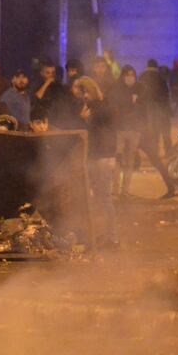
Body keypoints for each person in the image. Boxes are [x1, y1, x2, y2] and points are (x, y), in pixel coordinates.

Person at [70, 77, 118, 248]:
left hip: (100, 158)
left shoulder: (96, 109)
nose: (82, 97)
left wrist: (82, 120)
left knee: (102, 199)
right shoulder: (102, 106)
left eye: (82, 93)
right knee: (99, 199)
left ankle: (110, 239)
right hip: (102, 158)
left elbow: (90, 133)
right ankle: (104, 236)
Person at [108, 65, 145, 198]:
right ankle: (115, 190)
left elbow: (144, 109)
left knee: (129, 162)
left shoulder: (140, 90)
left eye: (132, 75)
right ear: (123, 76)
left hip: (135, 130)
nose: (130, 78)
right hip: (120, 130)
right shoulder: (117, 90)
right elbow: (115, 109)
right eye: (127, 75)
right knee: (118, 161)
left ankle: (125, 191)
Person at [139, 58, 173, 156]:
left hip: (148, 110)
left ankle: (154, 154)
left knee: (154, 134)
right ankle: (169, 152)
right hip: (161, 110)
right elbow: (166, 94)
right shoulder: (161, 77)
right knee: (165, 133)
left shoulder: (142, 76)